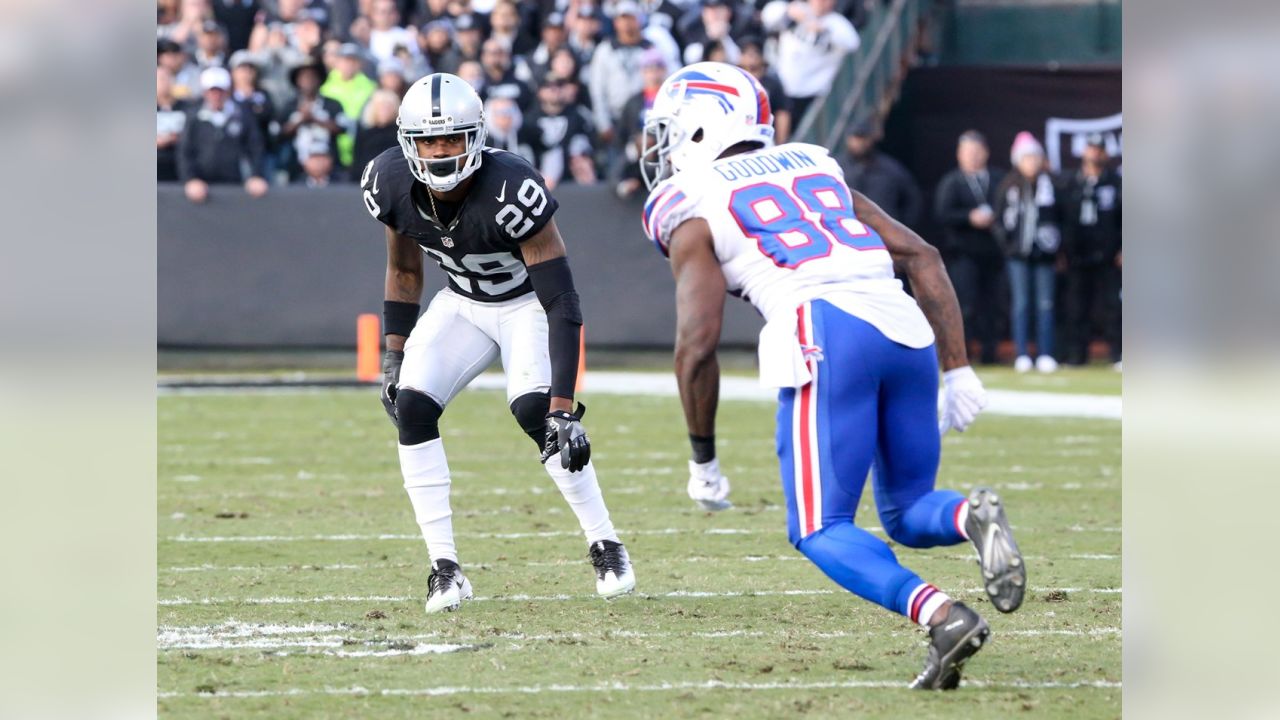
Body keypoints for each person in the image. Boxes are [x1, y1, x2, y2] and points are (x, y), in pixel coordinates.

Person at [639, 62, 1024, 689]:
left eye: (669, 130)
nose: (660, 147)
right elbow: (920, 256)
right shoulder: (813, 163)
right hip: (904, 329)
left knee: (820, 528)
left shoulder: (689, 201)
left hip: (825, 330)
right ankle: (969, 517)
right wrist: (957, 370)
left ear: (701, 128)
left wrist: (703, 461)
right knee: (907, 510)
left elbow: (697, 345)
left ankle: (943, 616)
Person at [359, 73, 636, 613]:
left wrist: (563, 407)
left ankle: (606, 543)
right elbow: (403, 269)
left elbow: (562, 301)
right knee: (411, 405)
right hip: (462, 301)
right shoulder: (388, 181)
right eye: (428, 141)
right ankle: (445, 568)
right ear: (406, 143)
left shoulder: (512, 186)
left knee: (536, 412)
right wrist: (394, 354)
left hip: (526, 304)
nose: (440, 153)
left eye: (452, 139)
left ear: (477, 137)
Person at [933, 130, 1005, 365]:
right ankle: (963, 354)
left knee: (993, 305)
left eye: (977, 151)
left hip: (994, 252)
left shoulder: (998, 179)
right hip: (963, 253)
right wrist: (969, 217)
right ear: (959, 155)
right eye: (968, 152)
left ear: (985, 153)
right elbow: (943, 213)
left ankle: (990, 353)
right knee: (965, 305)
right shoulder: (952, 182)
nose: (973, 157)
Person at [993, 131, 1062, 374]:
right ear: (1018, 161)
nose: (1031, 163)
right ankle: (1022, 353)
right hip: (1018, 255)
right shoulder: (1009, 186)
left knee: (1045, 304)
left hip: (1045, 255)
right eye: (1026, 158)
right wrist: (1009, 246)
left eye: (1035, 157)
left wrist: (1058, 247)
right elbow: (999, 220)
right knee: (1021, 304)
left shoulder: (1051, 185)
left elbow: (1062, 217)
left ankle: (1045, 352)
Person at [1060, 133, 1122, 367]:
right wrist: (1063, 250)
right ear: (1084, 151)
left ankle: (1118, 354)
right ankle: (1077, 355)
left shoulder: (1116, 182)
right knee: (1076, 307)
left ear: (1105, 153)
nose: (1095, 153)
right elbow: (1062, 219)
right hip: (1077, 255)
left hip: (1108, 255)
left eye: (1099, 149)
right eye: (1091, 148)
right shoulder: (1070, 183)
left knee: (1113, 307)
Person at [177, 66, 270, 202]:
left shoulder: (242, 114)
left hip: (236, 183)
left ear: (228, 91)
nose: (216, 96)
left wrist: (256, 175)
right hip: (202, 184)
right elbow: (184, 150)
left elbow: (255, 146)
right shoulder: (194, 117)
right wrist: (190, 179)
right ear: (204, 92)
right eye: (212, 91)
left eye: (220, 91)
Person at [760, 0, 859, 122]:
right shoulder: (798, 9)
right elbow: (768, 14)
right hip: (781, 85)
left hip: (810, 94)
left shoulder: (836, 22)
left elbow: (853, 43)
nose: (821, 2)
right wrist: (789, 13)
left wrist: (822, 29)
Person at [838, 120, 922, 229]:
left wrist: (903, 227)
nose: (859, 142)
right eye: (856, 137)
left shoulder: (891, 168)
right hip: (850, 233)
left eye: (864, 137)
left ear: (871, 139)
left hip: (884, 234)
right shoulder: (837, 168)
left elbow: (912, 198)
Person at [279, 59, 348, 183]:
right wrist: (300, 120)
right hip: (297, 166)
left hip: (330, 165)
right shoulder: (289, 106)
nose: (308, 81)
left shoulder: (333, 104)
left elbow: (342, 128)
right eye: (304, 77)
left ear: (320, 80)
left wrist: (315, 119)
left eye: (312, 77)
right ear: (297, 81)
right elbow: (280, 133)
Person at [321, 43, 378, 168]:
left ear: (360, 64)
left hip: (361, 145)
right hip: (333, 145)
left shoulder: (371, 88)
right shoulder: (325, 88)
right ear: (337, 62)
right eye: (345, 60)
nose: (349, 65)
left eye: (353, 61)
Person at [736, 35, 791, 143]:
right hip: (739, 135)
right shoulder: (735, 79)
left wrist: (780, 142)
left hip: (765, 135)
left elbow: (782, 113)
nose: (751, 57)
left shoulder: (772, 83)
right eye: (746, 52)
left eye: (755, 52)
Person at [352, 88, 402, 172]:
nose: (385, 111)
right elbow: (357, 160)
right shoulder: (365, 133)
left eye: (388, 107)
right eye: (381, 106)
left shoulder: (400, 133)